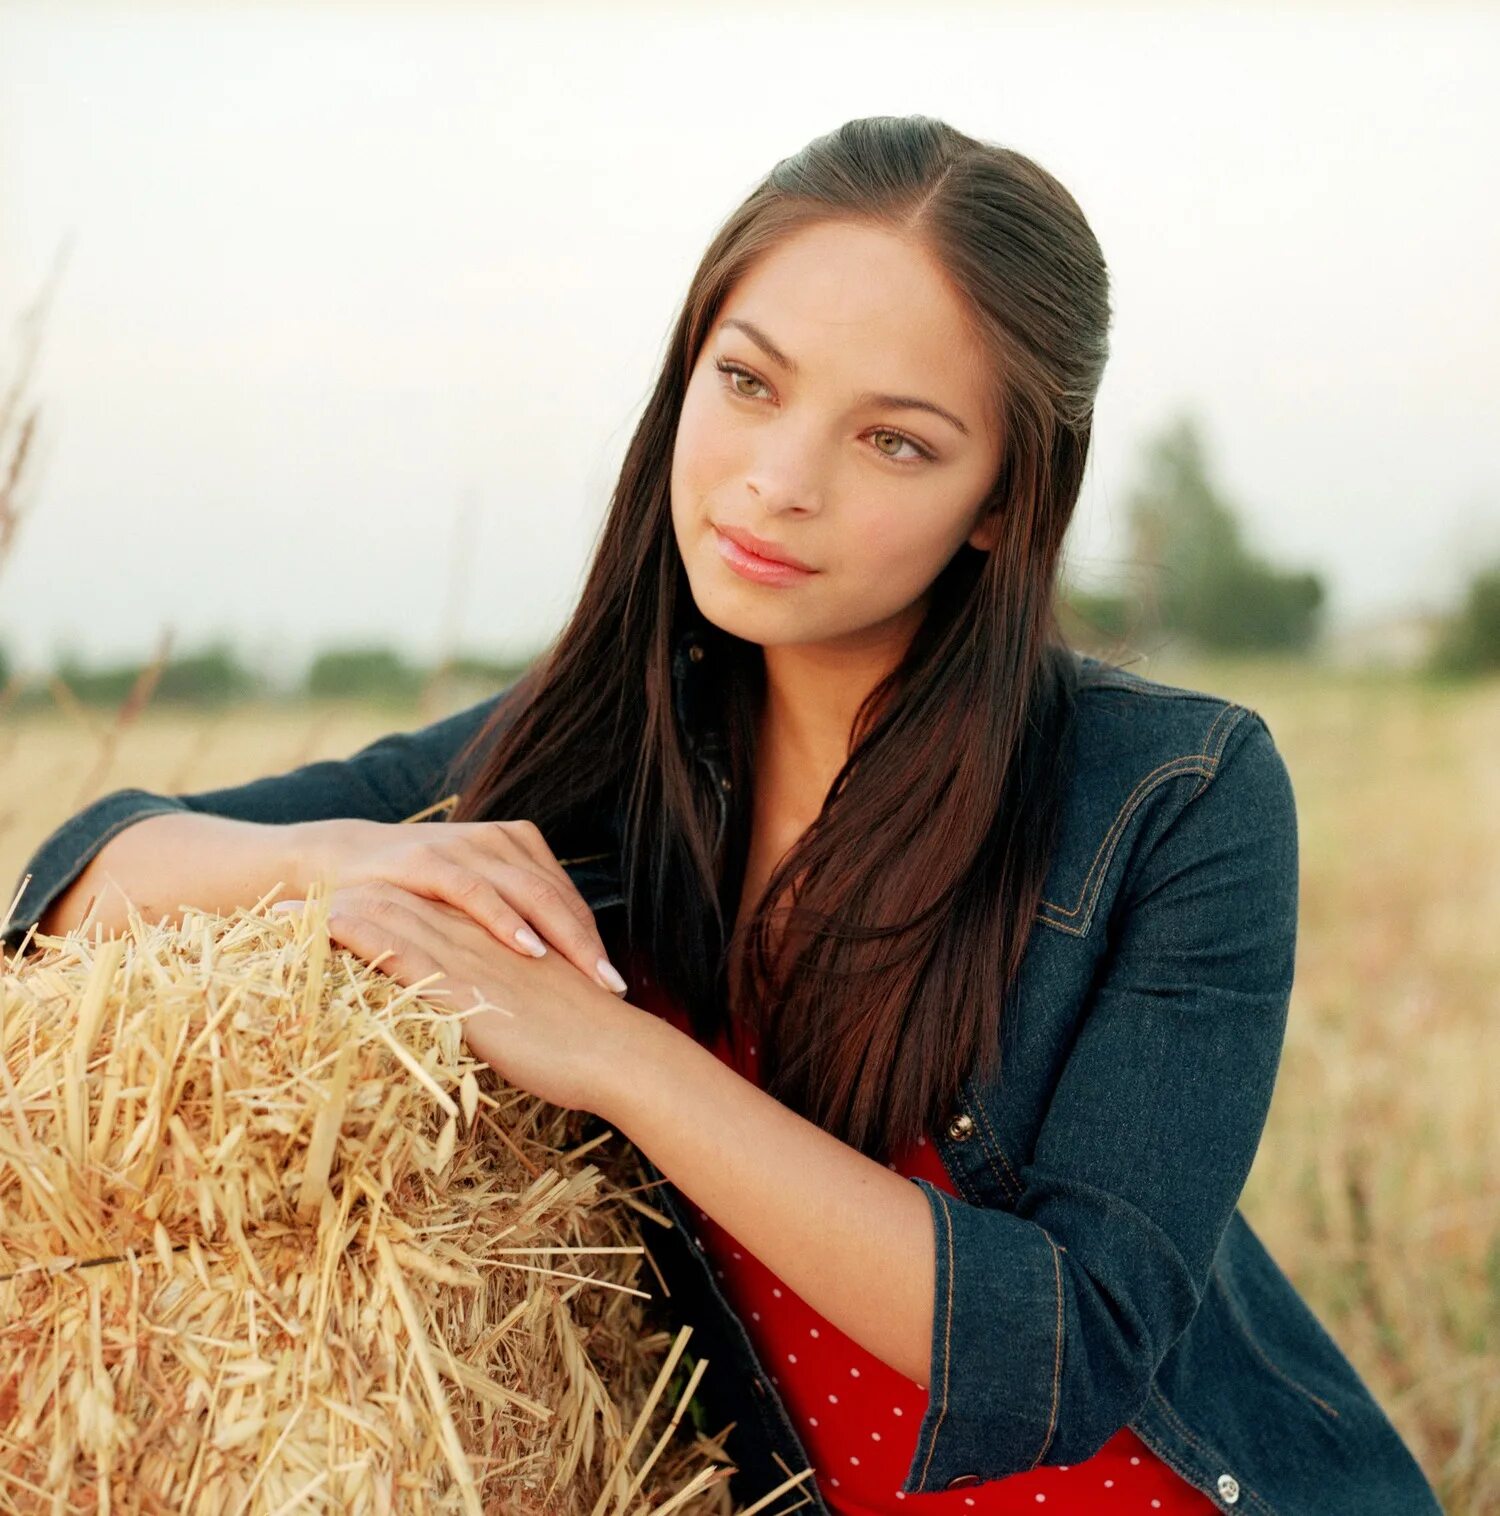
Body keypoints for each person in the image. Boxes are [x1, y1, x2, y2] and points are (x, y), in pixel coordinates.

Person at [4, 116, 1440, 1515]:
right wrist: (348, 860)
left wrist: (618, 1059)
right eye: (750, 383)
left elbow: (1065, 1352)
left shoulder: (1174, 796)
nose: (779, 480)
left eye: (894, 444)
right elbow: (77, 876)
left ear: (1003, 502)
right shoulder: (598, 750)